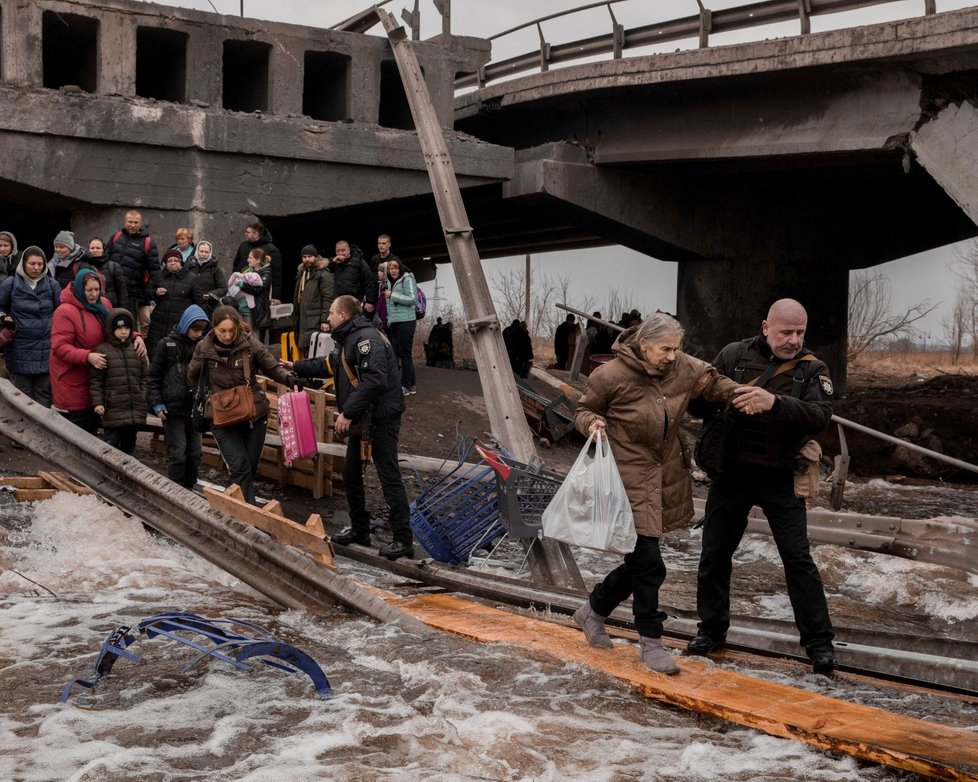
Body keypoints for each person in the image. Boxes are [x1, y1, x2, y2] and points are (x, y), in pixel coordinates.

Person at [572, 312, 743, 675]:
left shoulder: (682, 366)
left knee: (639, 561)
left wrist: (744, 396)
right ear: (643, 343)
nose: (671, 355)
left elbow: (713, 382)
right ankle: (650, 641)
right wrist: (593, 422)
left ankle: (592, 611)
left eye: (676, 348)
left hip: (664, 472)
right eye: (665, 348)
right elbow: (583, 409)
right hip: (626, 475)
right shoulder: (611, 375)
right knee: (650, 563)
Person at [687, 298, 837, 674]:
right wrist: (699, 393)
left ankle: (819, 644)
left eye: (800, 332)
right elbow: (702, 410)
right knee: (714, 555)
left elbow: (820, 416)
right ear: (766, 326)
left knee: (798, 561)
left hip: (780, 478)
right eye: (786, 331)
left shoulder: (812, 369)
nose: (793, 339)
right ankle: (711, 631)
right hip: (731, 474)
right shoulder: (734, 355)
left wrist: (774, 402)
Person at [284, 295, 414, 560]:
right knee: (351, 474)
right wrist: (295, 365)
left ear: (343, 315)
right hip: (364, 418)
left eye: (331, 312)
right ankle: (360, 529)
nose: (328, 317)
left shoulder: (367, 339)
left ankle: (403, 539)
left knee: (389, 477)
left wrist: (347, 413)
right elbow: (329, 365)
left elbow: (375, 380)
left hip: (380, 418)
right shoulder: (347, 339)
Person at [188, 305, 295, 505]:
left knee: (250, 466)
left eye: (231, 330)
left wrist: (290, 380)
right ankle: (249, 512)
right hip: (221, 414)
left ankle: (240, 503)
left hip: (253, 412)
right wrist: (206, 396)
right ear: (213, 328)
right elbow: (192, 376)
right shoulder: (203, 348)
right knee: (239, 466)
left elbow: (271, 367)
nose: (227, 336)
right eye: (222, 331)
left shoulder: (249, 344)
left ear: (238, 327)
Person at [147, 304, 210, 490]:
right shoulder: (166, 344)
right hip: (171, 409)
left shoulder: (202, 347)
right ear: (185, 325)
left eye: (201, 330)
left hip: (194, 408)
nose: (198, 334)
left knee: (196, 452)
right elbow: (153, 376)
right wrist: (156, 403)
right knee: (179, 451)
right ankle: (176, 489)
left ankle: (190, 486)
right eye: (195, 329)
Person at [49, 268, 115, 435]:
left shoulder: (104, 305)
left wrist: (135, 337)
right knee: (80, 428)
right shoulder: (65, 311)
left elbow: (117, 327)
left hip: (95, 376)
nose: (94, 294)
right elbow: (59, 347)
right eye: (89, 290)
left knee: (94, 424)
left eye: (97, 289)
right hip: (73, 377)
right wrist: (87, 356)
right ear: (79, 289)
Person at [0, 246, 62, 405]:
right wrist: (4, 318)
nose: (36, 268)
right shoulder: (11, 283)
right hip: (19, 349)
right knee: (20, 398)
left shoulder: (52, 285)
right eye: (32, 264)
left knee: (44, 397)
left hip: (45, 348)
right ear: (23, 263)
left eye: (40, 264)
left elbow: (60, 312)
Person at [90, 308, 148, 455]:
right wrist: (98, 403)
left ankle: (128, 475)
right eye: (119, 328)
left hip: (134, 409)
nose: (123, 331)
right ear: (111, 329)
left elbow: (146, 376)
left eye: (127, 328)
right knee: (111, 447)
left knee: (130, 446)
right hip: (113, 410)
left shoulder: (137, 350)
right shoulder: (102, 350)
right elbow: (96, 381)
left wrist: (143, 395)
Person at [106, 209, 160, 335]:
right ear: (125, 221)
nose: (133, 225)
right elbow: (105, 258)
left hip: (132, 293)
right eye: (130, 221)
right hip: (112, 289)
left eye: (136, 222)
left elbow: (155, 269)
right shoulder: (116, 237)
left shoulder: (148, 242)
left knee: (129, 324)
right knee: (110, 321)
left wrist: (156, 288)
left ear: (140, 223)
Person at [146, 248, 202, 359]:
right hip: (158, 323)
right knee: (155, 352)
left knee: (175, 354)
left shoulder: (191, 278)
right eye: (169, 261)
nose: (172, 263)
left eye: (175, 260)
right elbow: (147, 292)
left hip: (178, 324)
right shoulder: (159, 276)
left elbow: (199, 302)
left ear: (181, 262)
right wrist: (155, 292)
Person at [385, 258, 418, 396]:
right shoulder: (388, 281)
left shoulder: (407, 279)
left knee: (405, 354)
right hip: (395, 322)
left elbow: (412, 299)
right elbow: (389, 305)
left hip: (406, 321)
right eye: (391, 268)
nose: (393, 270)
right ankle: (411, 385)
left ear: (401, 269)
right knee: (398, 353)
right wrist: (389, 319)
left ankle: (405, 385)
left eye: (396, 268)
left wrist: (392, 295)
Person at [292, 244, 332, 358]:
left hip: (315, 320)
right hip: (303, 319)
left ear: (316, 257)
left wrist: (325, 320)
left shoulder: (323, 274)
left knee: (316, 351)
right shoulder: (302, 273)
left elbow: (328, 298)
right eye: (304, 257)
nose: (307, 259)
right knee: (305, 350)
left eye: (310, 256)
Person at [233, 222, 282, 305]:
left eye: (248, 232)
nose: (245, 234)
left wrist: (276, 296)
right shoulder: (243, 246)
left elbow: (277, 274)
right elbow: (236, 265)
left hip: (260, 293)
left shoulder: (271, 250)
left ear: (255, 234)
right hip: (242, 289)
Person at [325, 241, 376, 316]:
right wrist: (332, 261)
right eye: (338, 251)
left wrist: (370, 301)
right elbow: (320, 267)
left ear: (349, 250)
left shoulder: (359, 262)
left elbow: (369, 281)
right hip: (338, 302)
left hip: (355, 302)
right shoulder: (334, 262)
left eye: (343, 250)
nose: (340, 253)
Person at [87, 236, 128, 308]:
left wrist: (123, 310)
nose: (95, 250)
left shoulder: (113, 266)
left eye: (98, 248)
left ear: (103, 249)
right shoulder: (84, 266)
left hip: (112, 308)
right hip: (91, 307)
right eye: (92, 248)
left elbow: (122, 291)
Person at [188, 240, 227, 310]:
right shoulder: (189, 267)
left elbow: (223, 288)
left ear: (210, 253)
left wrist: (210, 295)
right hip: (190, 304)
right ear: (197, 251)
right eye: (201, 251)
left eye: (206, 252)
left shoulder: (215, 269)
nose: (203, 254)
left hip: (209, 305)